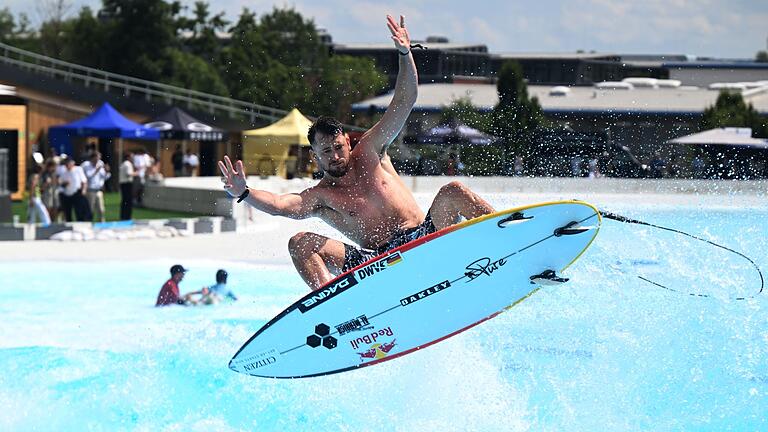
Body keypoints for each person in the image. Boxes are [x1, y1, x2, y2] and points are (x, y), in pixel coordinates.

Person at [218, 15, 495, 291]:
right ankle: (334, 305)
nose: (335, 155)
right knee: (300, 243)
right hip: (378, 263)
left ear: (347, 143)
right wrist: (244, 193)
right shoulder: (320, 196)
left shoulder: (371, 150)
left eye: (338, 147)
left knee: (454, 191)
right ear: (315, 156)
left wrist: (404, 54)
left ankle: (512, 238)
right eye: (326, 151)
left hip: (423, 239)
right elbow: (279, 205)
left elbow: (405, 100)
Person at [59, 157, 92, 221]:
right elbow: (61, 184)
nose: (67, 165)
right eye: (66, 164)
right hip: (67, 194)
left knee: (79, 211)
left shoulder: (78, 169)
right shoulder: (63, 172)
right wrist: (65, 184)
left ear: (72, 163)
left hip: (77, 193)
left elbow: (84, 181)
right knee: (67, 212)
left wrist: (84, 190)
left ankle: (80, 223)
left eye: (68, 163)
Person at [81, 151, 111, 223]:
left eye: (98, 158)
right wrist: (96, 170)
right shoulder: (86, 165)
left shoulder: (100, 163)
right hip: (90, 190)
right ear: (92, 158)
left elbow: (104, 177)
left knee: (101, 209)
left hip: (99, 190)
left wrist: (107, 172)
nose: (97, 160)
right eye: (96, 158)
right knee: (90, 209)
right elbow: (88, 177)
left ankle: (102, 224)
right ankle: (88, 223)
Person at [119, 153, 136, 220]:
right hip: (127, 184)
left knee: (124, 201)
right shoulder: (128, 164)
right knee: (128, 201)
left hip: (123, 184)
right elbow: (129, 174)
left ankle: (123, 216)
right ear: (128, 157)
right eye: (132, 157)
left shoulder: (123, 164)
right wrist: (136, 173)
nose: (133, 158)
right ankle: (127, 217)